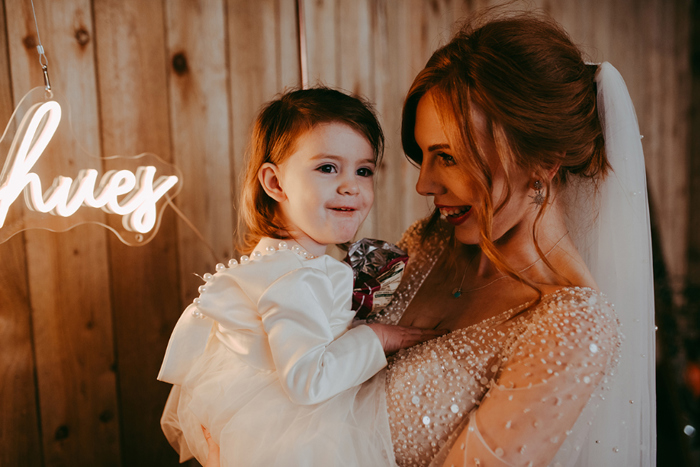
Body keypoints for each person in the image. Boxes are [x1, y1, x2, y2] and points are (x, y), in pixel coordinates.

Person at [203, 12, 655, 467]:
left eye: (449, 157)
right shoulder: (427, 244)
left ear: (542, 160)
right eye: (423, 156)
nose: (424, 185)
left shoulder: (571, 326)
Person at [157, 88, 442, 466]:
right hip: (292, 441)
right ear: (275, 183)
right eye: (327, 168)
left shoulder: (280, 265)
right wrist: (378, 336)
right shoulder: (295, 279)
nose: (350, 185)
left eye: (364, 170)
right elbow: (308, 379)